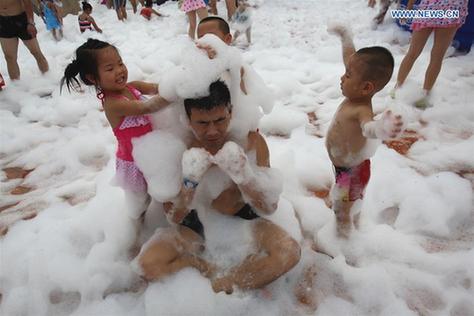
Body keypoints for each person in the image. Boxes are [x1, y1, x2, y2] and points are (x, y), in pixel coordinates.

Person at [138, 80, 300, 294]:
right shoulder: (176, 148)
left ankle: (224, 286)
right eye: (203, 123)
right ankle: (204, 268)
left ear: (231, 113)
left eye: (220, 120)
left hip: (244, 219)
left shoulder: (251, 142)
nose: (213, 130)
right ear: (188, 120)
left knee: (289, 253)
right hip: (196, 225)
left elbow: (269, 207)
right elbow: (175, 216)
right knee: (148, 265)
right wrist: (190, 183)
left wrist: (244, 177)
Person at [61, 38, 172, 221]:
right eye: (110, 68)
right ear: (92, 78)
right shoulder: (113, 104)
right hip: (134, 161)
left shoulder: (133, 87)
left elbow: (156, 88)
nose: (120, 70)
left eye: (120, 63)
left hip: (151, 153)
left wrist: (176, 85)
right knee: (140, 202)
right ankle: (137, 228)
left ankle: (170, 220)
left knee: (163, 191)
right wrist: (175, 93)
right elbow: (147, 107)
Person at [326, 25, 403, 238]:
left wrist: (381, 128)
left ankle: (344, 240)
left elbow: (369, 128)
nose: (342, 78)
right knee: (344, 202)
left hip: (353, 173)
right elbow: (350, 57)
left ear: (366, 88)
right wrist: (345, 36)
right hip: (344, 168)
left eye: (348, 75)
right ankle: (348, 214)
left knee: (343, 211)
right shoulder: (355, 95)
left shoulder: (361, 109)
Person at [393, 0, 469, 108]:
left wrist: (408, 8)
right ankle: (425, 95)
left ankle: (398, 88)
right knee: (437, 57)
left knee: (412, 53)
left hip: (429, 7)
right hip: (452, 9)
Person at [0, 0, 49, 80]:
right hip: (3, 22)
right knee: (9, 57)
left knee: (36, 52)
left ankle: (48, 77)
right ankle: (16, 86)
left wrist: (31, 23)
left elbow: (27, 3)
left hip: (21, 20)